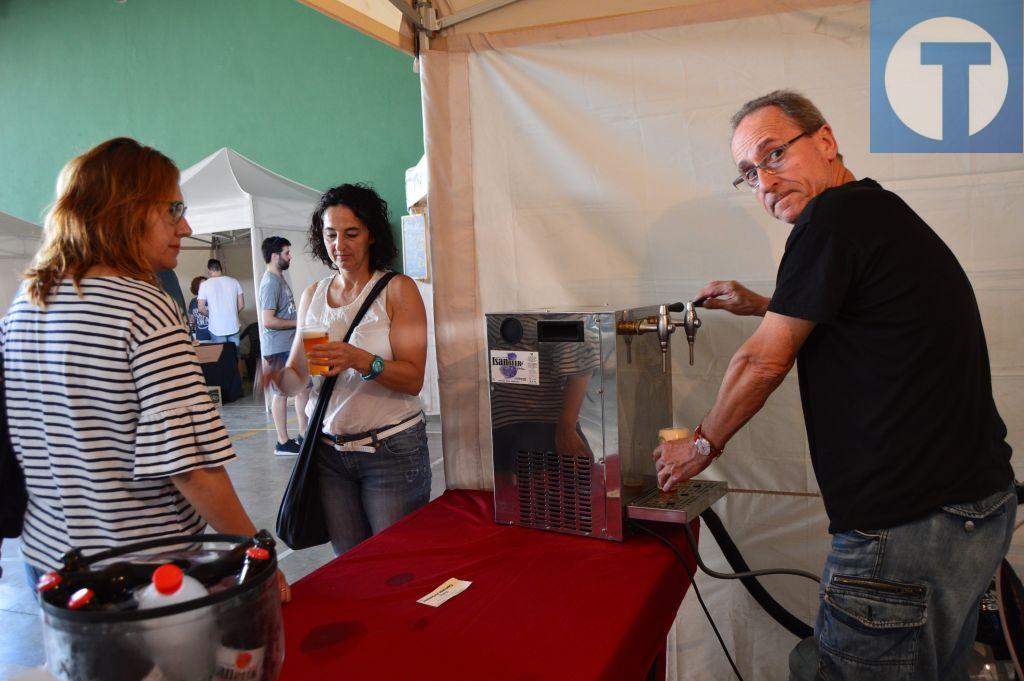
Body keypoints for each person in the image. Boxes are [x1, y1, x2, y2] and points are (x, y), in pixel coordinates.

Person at [653, 90, 1014, 679]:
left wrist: (700, 445)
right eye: (749, 173)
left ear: (824, 141)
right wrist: (767, 305)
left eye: (773, 155)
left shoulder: (831, 218)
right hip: (969, 511)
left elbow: (760, 365)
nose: (764, 182)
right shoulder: (876, 213)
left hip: (906, 525)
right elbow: (873, 317)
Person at [0, 137, 289, 602]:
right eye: (172, 210)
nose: (186, 225)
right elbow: (190, 466)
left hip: (52, 561)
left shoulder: (27, 306)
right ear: (126, 211)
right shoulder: (144, 309)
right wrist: (252, 556)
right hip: (143, 572)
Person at [266, 183, 430, 556]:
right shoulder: (312, 295)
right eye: (330, 234)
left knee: (396, 563)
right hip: (329, 456)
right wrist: (277, 379)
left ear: (371, 235)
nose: (339, 244)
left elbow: (413, 379)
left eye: (351, 233)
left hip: (390, 451)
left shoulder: (398, 290)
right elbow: (297, 376)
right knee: (350, 564)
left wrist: (361, 360)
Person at [258, 236, 310, 455]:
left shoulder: (279, 279)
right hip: (277, 348)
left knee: (303, 389)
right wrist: (298, 322)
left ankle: (303, 434)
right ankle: (283, 442)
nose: (290, 257)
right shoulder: (270, 282)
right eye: (286, 253)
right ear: (274, 256)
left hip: (289, 346)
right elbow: (268, 320)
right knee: (282, 395)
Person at [197, 258, 244, 347]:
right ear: (221, 268)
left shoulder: (205, 285)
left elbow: (201, 308)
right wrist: (232, 314)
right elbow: (241, 305)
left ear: (209, 270)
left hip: (216, 327)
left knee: (221, 358)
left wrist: (212, 315)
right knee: (234, 356)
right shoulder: (234, 281)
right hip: (233, 325)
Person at [188, 275, 211, 341]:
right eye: (203, 285)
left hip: (214, 336)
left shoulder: (212, 300)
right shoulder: (193, 301)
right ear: (197, 287)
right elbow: (191, 319)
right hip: (200, 338)